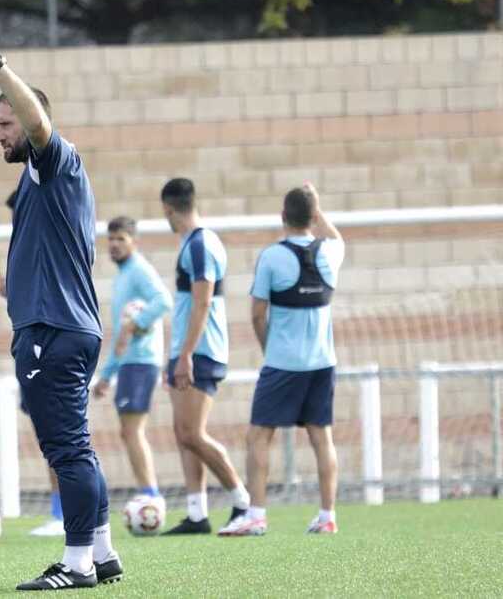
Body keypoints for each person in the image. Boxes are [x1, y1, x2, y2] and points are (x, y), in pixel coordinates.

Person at [0, 17, 120, 590]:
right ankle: (101, 552)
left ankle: (75, 565)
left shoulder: (56, 160)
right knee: (77, 447)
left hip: (53, 332)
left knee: (67, 451)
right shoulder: (35, 181)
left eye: (4, 123)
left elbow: (39, 123)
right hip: (62, 327)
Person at [218, 183, 344, 537]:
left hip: (283, 362)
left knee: (259, 436)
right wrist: (318, 210)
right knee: (322, 437)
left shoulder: (272, 257)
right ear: (314, 216)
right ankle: (327, 515)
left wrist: (268, 347)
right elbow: (335, 236)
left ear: (282, 216)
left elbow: (257, 314)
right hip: (322, 361)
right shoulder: (331, 252)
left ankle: (256, 515)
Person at [159, 178, 250, 536]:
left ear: (169, 208)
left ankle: (243, 502)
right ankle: (197, 514)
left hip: (200, 352)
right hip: (187, 351)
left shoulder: (200, 244)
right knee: (183, 433)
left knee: (193, 434)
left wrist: (185, 355)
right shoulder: (192, 244)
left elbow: (202, 301)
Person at [0, 189, 64, 538]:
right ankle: (64, 511)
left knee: (58, 435)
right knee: (53, 436)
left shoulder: (42, 245)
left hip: (46, 349)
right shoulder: (30, 246)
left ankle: (65, 514)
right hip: (33, 348)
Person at [92, 216, 171, 502]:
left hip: (142, 361)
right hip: (129, 363)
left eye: (120, 239)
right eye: (110, 239)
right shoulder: (123, 275)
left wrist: (134, 323)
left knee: (132, 430)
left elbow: (164, 300)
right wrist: (107, 374)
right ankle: (148, 491)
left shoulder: (139, 269)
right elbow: (120, 337)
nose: (114, 245)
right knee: (128, 431)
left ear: (134, 242)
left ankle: (150, 494)